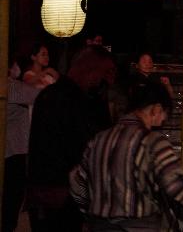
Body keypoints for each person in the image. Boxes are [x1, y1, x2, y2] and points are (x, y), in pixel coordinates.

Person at [70, 78, 183, 231]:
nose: (163, 121)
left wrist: (92, 212)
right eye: (164, 114)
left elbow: (76, 182)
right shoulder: (151, 141)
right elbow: (176, 187)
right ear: (155, 109)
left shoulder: (99, 139)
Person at [26, 45, 117, 232]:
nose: (109, 79)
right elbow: (89, 148)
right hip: (63, 195)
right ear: (89, 69)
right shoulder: (78, 101)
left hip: (46, 193)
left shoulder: (50, 95)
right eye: (106, 73)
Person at [3, 61, 41, 232]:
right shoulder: (12, 87)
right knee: (11, 201)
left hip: (10, 150)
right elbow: (42, 96)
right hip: (14, 150)